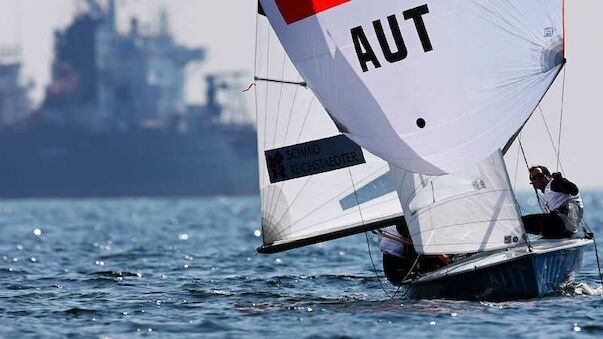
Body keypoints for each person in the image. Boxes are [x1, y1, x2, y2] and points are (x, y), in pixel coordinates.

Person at [377, 222, 450, 285]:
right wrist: (438, 255)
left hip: (396, 259)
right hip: (395, 264)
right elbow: (413, 252)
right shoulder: (409, 224)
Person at [521, 165, 583, 238]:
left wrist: (560, 180)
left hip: (567, 221)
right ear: (532, 183)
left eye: (539, 176)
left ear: (548, 176)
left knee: (520, 222)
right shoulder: (547, 194)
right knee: (521, 223)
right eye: (533, 178)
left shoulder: (554, 184)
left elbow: (574, 190)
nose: (537, 179)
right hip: (562, 226)